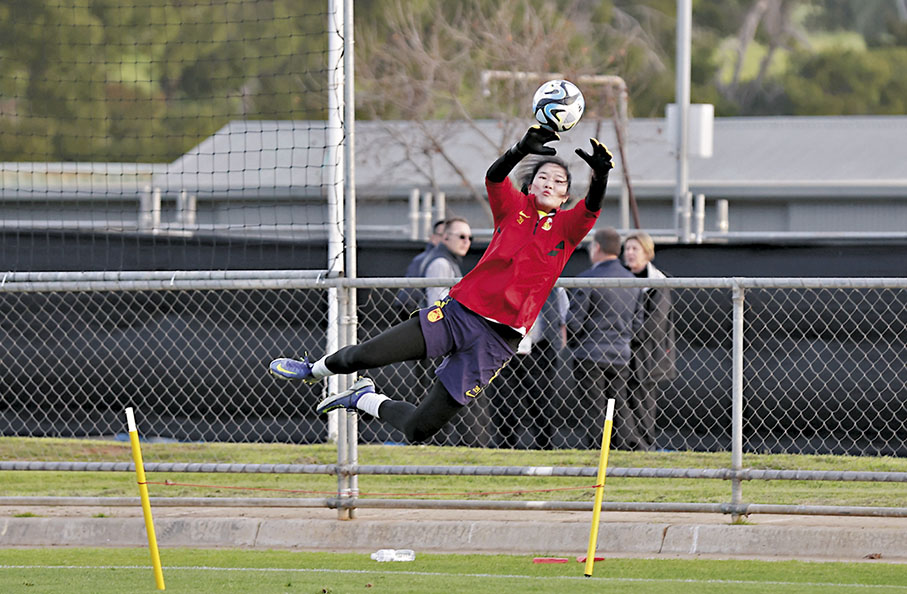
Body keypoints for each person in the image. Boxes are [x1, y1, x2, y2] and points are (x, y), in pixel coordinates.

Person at [268, 125, 613, 444]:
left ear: (567, 196)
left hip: (497, 341)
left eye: (560, 181)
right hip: (459, 315)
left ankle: (364, 399)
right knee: (366, 354)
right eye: (543, 177)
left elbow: (594, 204)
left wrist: (600, 176)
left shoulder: (568, 228)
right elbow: (494, 177)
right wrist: (520, 149)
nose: (550, 184)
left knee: (420, 429)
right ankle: (313, 370)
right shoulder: (513, 208)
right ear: (530, 185)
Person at [566, 227, 642, 449]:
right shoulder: (631, 280)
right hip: (620, 354)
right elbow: (637, 322)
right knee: (618, 404)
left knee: (594, 408)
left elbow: (574, 321)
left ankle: (598, 450)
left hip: (590, 353)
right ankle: (623, 448)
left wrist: (574, 341)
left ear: (597, 247)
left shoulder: (587, 279)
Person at [491, 285, 568, 449]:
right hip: (506, 348)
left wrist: (557, 347)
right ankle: (505, 446)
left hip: (540, 350)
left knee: (542, 400)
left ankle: (544, 446)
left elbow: (563, 320)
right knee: (505, 400)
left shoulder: (554, 287)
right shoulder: (505, 281)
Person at [623, 231, 677, 450]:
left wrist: (624, 336)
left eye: (635, 249)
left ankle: (644, 447)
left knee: (643, 403)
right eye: (626, 249)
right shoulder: (619, 279)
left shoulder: (658, 284)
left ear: (647, 253)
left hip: (647, 357)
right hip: (620, 355)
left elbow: (656, 323)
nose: (629, 253)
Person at [422, 217, 471, 306]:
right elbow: (436, 305)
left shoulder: (447, 260)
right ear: (446, 237)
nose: (466, 241)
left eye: (470, 238)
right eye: (462, 236)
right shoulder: (440, 263)